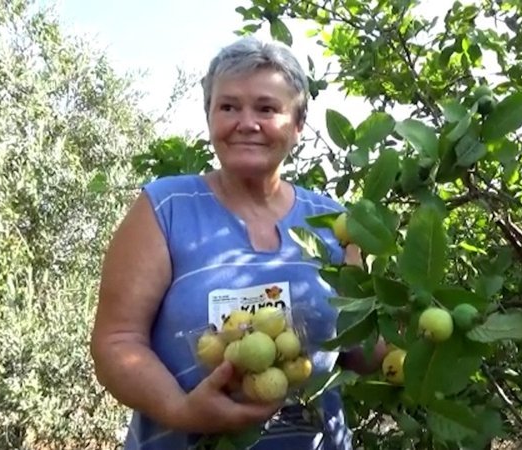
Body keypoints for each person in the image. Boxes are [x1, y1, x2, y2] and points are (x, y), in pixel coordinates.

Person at [90, 35, 386, 450]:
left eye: (266, 108)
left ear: (298, 124)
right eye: (228, 107)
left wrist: (400, 315)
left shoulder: (333, 221)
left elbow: (362, 352)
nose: (246, 123)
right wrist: (183, 411)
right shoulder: (165, 208)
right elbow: (117, 342)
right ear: (210, 117)